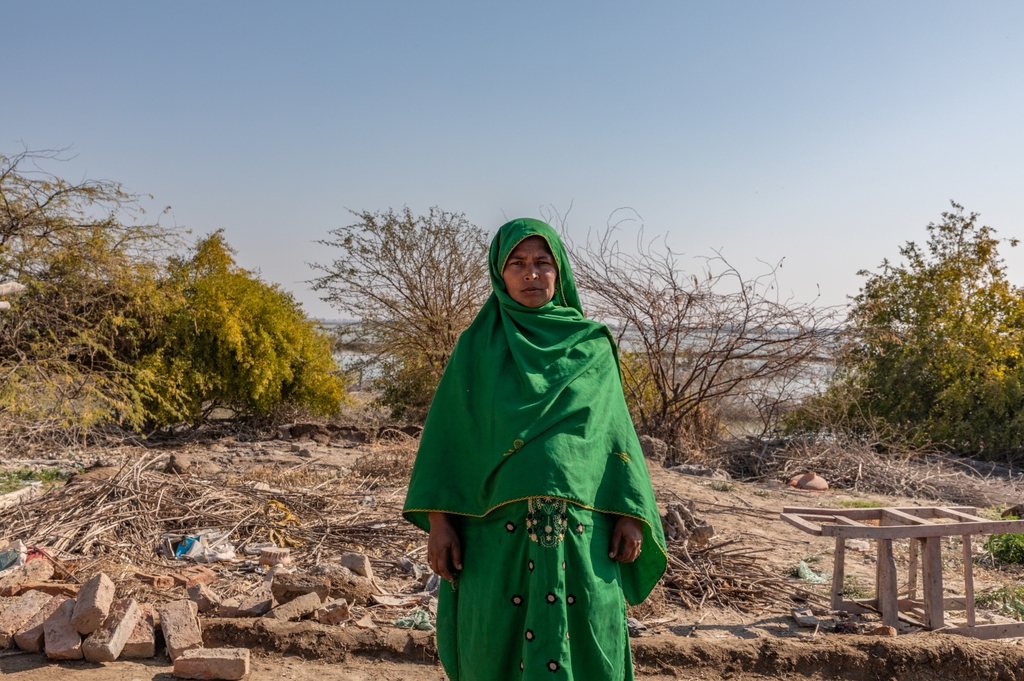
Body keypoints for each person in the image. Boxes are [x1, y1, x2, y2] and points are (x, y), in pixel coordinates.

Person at [403, 218, 666, 681]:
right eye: (517, 263)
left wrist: (630, 512)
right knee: (493, 650)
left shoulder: (592, 346)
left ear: (559, 271)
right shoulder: (475, 349)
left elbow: (615, 437)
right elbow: (448, 441)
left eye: (542, 262)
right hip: (491, 541)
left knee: (586, 643)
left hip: (583, 536)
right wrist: (440, 524)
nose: (531, 274)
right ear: (499, 274)